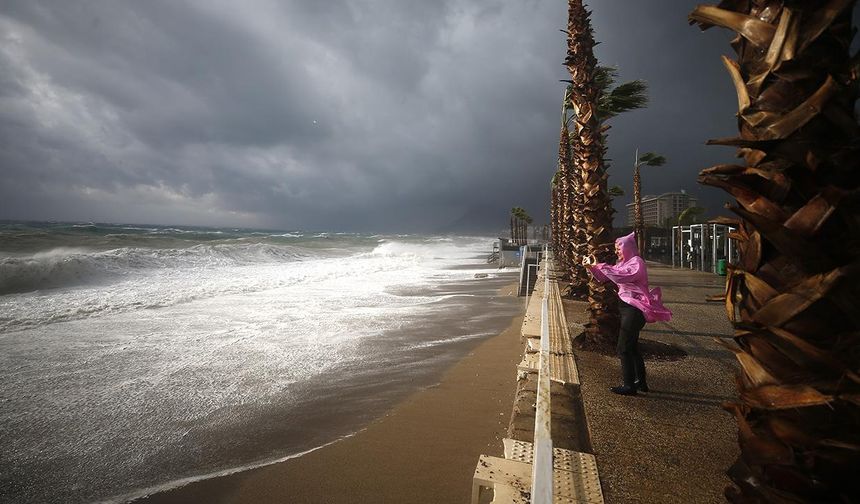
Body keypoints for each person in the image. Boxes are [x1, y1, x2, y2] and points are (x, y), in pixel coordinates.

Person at [582, 232, 672, 396]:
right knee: (632, 347)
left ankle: (629, 385)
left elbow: (621, 277)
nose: (617, 251)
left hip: (634, 309)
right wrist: (592, 268)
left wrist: (600, 265)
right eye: (616, 249)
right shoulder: (623, 263)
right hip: (626, 308)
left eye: (619, 248)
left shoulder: (637, 263)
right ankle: (641, 382)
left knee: (623, 348)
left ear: (628, 248)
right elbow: (604, 277)